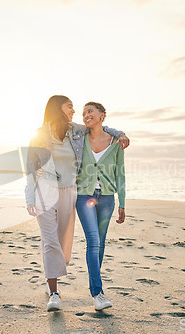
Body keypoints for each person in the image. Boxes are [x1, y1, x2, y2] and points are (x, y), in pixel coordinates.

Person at [25, 95, 129, 311]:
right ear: (57, 109)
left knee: (62, 241)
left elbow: (100, 128)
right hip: (45, 191)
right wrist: (29, 197)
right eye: (70, 107)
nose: (74, 111)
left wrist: (120, 134)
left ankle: (51, 275)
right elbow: (29, 167)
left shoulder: (75, 131)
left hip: (70, 190)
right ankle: (54, 292)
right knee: (50, 239)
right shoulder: (39, 135)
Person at [75, 101, 126, 311]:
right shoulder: (79, 138)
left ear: (102, 115)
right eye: (83, 113)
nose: (86, 115)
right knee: (93, 241)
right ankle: (97, 293)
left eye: (90, 111)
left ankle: (95, 283)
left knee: (101, 243)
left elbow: (120, 173)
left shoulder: (115, 143)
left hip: (106, 198)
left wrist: (122, 202)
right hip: (84, 195)